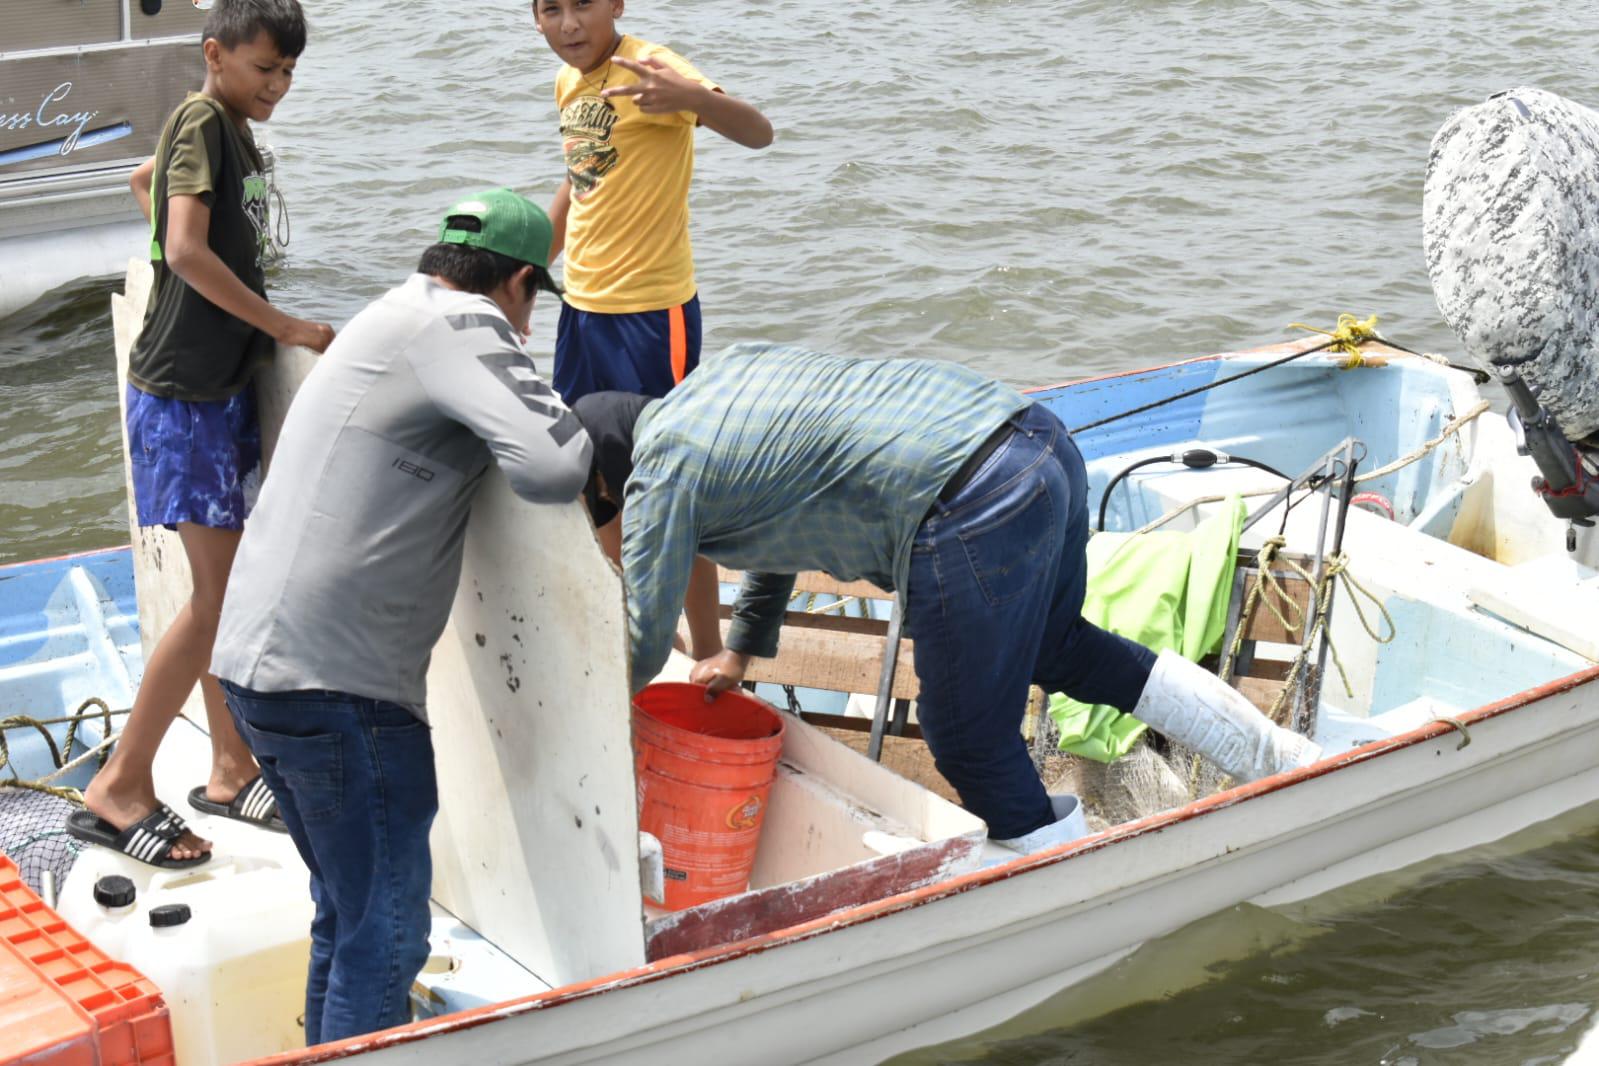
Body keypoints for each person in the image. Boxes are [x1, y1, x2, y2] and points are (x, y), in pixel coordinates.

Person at [571, 344, 1323, 857]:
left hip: (967, 499)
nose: (606, 528)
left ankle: (1059, 878)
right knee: (1061, 647)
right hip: (1038, 442)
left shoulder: (658, 472)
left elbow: (641, 643)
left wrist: (569, 730)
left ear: (608, 481)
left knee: (964, 732)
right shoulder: (716, 386)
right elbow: (774, 525)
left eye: (595, 512)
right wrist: (739, 651)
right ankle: (1280, 760)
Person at [210, 190, 590, 1044]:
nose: (528, 325)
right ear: (517, 282)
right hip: (340, 687)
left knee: (344, 916)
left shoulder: (390, 313)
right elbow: (555, 465)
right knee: (385, 938)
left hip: (258, 667)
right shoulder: (464, 323)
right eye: (532, 302)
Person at [71, 0, 335, 869]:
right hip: (185, 398)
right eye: (264, 68)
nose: (278, 84)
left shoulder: (227, 128)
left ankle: (229, 766)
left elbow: (144, 183)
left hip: (213, 390)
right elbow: (185, 248)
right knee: (219, 599)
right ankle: (120, 785)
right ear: (215, 54)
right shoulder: (202, 118)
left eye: (288, 71)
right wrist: (283, 326)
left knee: (226, 590)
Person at [531, 0, 775, 661]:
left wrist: (692, 98)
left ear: (615, 4)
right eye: (551, 9)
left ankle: (708, 652)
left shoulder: (652, 67)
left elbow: (758, 133)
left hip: (649, 316)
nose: (569, 24)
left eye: (583, 5)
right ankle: (638, 632)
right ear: (534, 19)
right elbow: (579, 179)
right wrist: (528, 270)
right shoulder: (569, 82)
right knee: (592, 480)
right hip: (581, 311)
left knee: (671, 483)